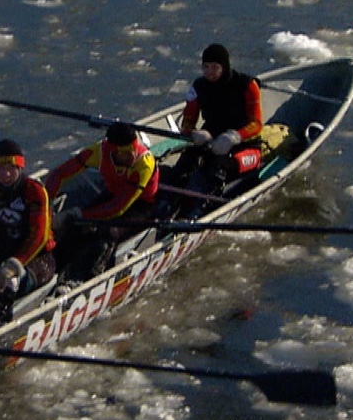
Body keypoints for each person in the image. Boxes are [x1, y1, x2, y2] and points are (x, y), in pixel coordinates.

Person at [43, 122, 160, 279]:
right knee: (74, 227)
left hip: (142, 206)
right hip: (113, 194)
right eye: (124, 152)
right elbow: (60, 173)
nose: (131, 155)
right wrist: (46, 205)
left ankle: (92, 276)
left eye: (133, 149)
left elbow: (118, 208)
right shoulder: (99, 152)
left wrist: (78, 214)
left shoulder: (143, 163)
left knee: (108, 232)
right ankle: (52, 267)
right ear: (112, 150)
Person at [0, 139, 57, 318]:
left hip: (38, 258)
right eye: (0, 168)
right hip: (3, 252)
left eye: (11, 168)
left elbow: (40, 235)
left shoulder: (35, 190)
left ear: (20, 168)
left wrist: (16, 264)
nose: (6, 174)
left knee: (10, 283)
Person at [168, 43, 264, 215]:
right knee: (184, 165)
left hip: (246, 147)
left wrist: (235, 136)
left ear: (224, 66)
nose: (209, 72)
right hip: (211, 142)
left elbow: (256, 124)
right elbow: (188, 120)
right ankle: (168, 204)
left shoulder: (247, 85)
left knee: (217, 170)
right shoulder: (198, 86)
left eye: (215, 67)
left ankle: (203, 212)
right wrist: (195, 134)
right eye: (206, 67)